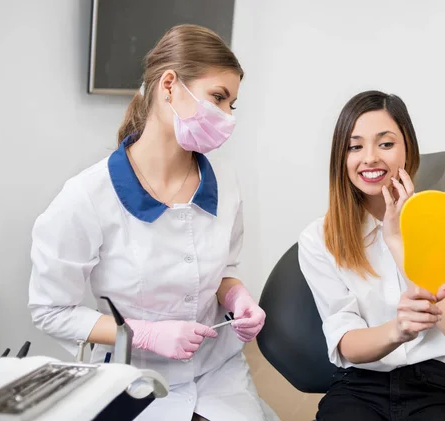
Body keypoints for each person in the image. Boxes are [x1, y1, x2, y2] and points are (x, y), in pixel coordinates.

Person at [28, 24, 279, 421]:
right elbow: (51, 310)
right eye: (218, 97)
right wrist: (141, 333)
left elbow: (224, 271)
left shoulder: (225, 180)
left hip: (218, 374)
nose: (228, 117)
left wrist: (236, 298)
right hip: (132, 376)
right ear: (168, 85)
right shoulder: (87, 197)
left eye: (232, 104)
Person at [297, 90, 445, 421]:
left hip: (432, 384)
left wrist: (398, 240)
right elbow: (347, 343)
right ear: (342, 157)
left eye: (385, 143)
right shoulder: (319, 238)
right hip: (357, 384)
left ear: (408, 148)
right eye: (355, 146)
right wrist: (398, 330)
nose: (369, 158)